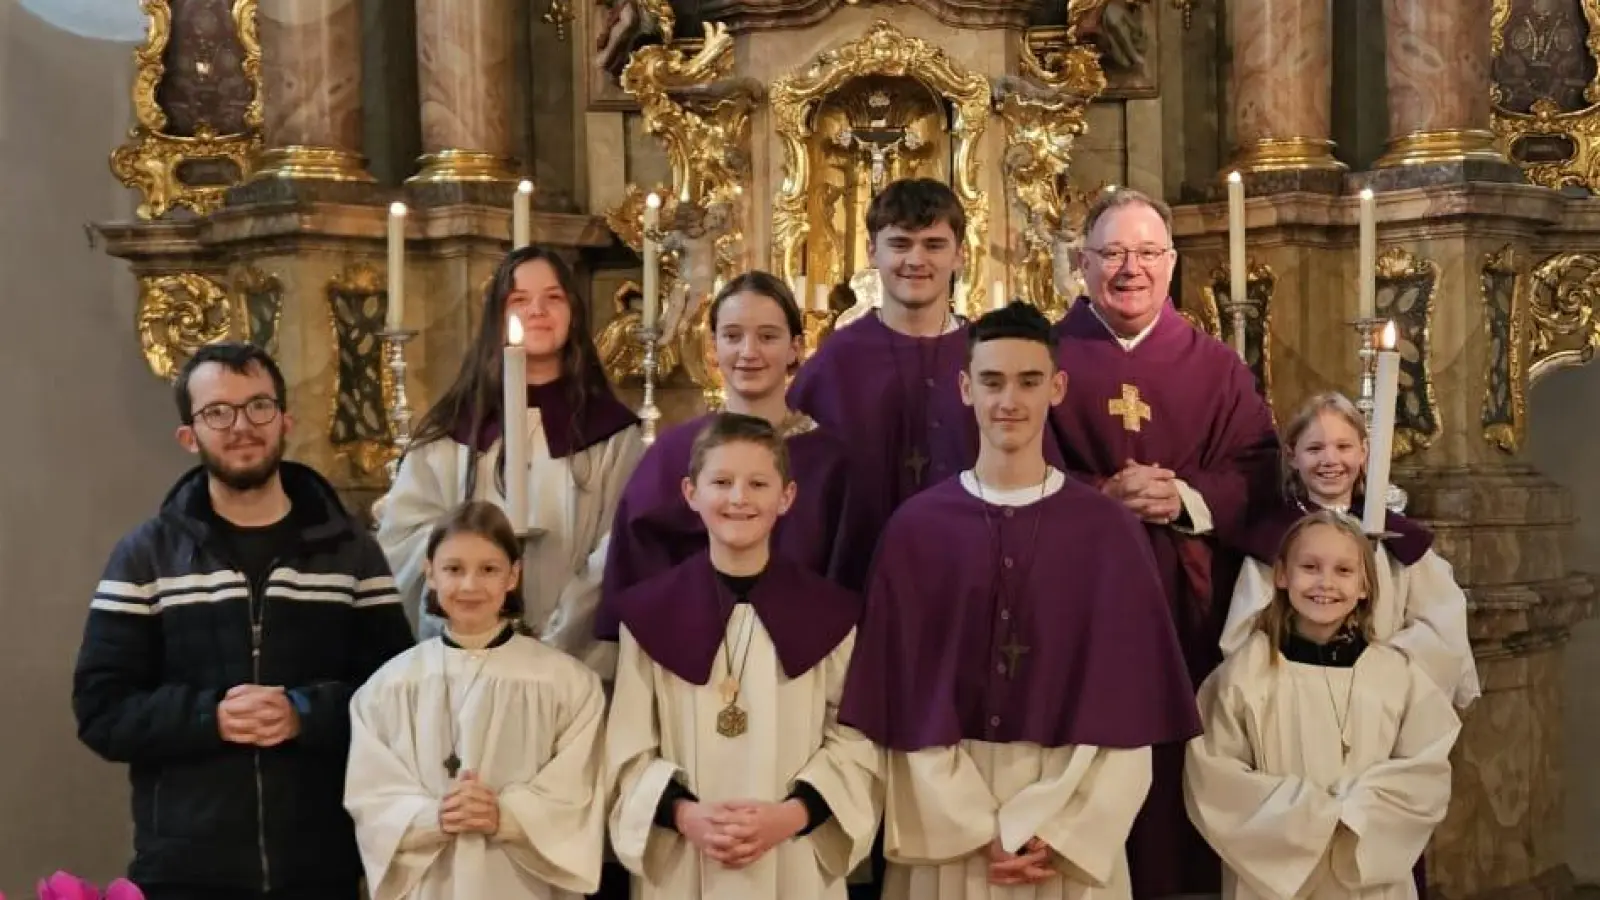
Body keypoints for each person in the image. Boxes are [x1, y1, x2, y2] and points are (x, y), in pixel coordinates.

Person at [840, 302, 1199, 899]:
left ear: (1057, 388)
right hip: (947, 823)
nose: (1009, 400)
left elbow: (1130, 715)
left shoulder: (1108, 534)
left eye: (1029, 381)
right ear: (965, 388)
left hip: (1072, 824)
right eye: (992, 381)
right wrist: (974, 827)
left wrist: (1065, 830)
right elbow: (900, 701)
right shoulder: (916, 532)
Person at [73, 342, 415, 900]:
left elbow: (399, 698)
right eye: (217, 412)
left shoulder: (350, 551)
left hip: (321, 863)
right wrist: (212, 717)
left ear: (285, 421)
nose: (241, 426)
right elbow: (101, 710)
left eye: (258, 406)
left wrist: (303, 713)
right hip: (184, 870)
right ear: (189, 436)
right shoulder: (145, 557)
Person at [1047, 187, 1281, 898]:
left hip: (1190, 612)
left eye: (1148, 252)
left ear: (1172, 263)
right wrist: (1101, 496)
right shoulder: (1044, 359)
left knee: (1179, 788)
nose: (1131, 269)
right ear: (1082, 264)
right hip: (1079, 608)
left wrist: (1184, 498)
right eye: (1114, 252)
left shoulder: (1216, 367)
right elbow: (1012, 465)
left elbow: (1258, 470)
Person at [605, 413, 882, 899]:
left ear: (787, 497)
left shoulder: (829, 616)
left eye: (757, 483)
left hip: (792, 857)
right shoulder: (649, 616)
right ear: (691, 493)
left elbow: (856, 745)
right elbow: (628, 752)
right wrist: (685, 816)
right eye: (721, 482)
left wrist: (791, 816)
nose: (739, 498)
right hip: (686, 860)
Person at [378, 245, 644, 678]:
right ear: (497, 317)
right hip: (466, 661)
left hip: (572, 662)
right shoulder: (451, 431)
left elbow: (619, 548)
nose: (537, 310)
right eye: (519, 300)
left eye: (553, 297)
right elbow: (404, 537)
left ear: (573, 313)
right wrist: (475, 609)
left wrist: (558, 636)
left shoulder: (612, 433)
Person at [1185, 510, 1460, 900]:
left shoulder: (1399, 676)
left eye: (1344, 570)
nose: (1325, 583)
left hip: (1367, 877)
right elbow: (1214, 777)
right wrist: (1309, 816)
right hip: (1276, 880)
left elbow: (1425, 769)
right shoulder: (1243, 676)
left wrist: (1359, 813)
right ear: (1282, 576)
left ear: (1365, 586)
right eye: (1310, 567)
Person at [345, 501, 607, 900]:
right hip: (432, 884)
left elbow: (577, 790)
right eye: (453, 569)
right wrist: (434, 817)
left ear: (513, 575)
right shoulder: (388, 687)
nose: (469, 586)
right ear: (430, 572)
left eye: (488, 569)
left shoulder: (566, 684)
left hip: (524, 885)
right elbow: (372, 796)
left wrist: (505, 816)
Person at [597, 271, 868, 644]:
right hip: (689, 650)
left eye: (768, 337)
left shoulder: (830, 462)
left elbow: (844, 585)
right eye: (733, 336)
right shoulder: (674, 454)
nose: (749, 352)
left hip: (801, 654)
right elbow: (638, 575)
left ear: (796, 347)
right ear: (713, 346)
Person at [789, 178, 1064, 531]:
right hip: (864, 556)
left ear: (960, 254)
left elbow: (1037, 473)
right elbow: (798, 489)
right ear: (872, 251)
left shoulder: (993, 358)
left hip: (977, 553)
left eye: (934, 245)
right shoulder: (835, 362)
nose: (916, 260)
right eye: (900, 244)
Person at [1223, 392, 1480, 708]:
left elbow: (1441, 626)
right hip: (1294, 697)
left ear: (1363, 452)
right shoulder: (1273, 537)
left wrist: (1385, 666)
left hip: (1378, 699)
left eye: (1343, 447)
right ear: (1292, 456)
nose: (1330, 460)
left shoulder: (1398, 539)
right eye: (1315, 448)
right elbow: (1244, 635)